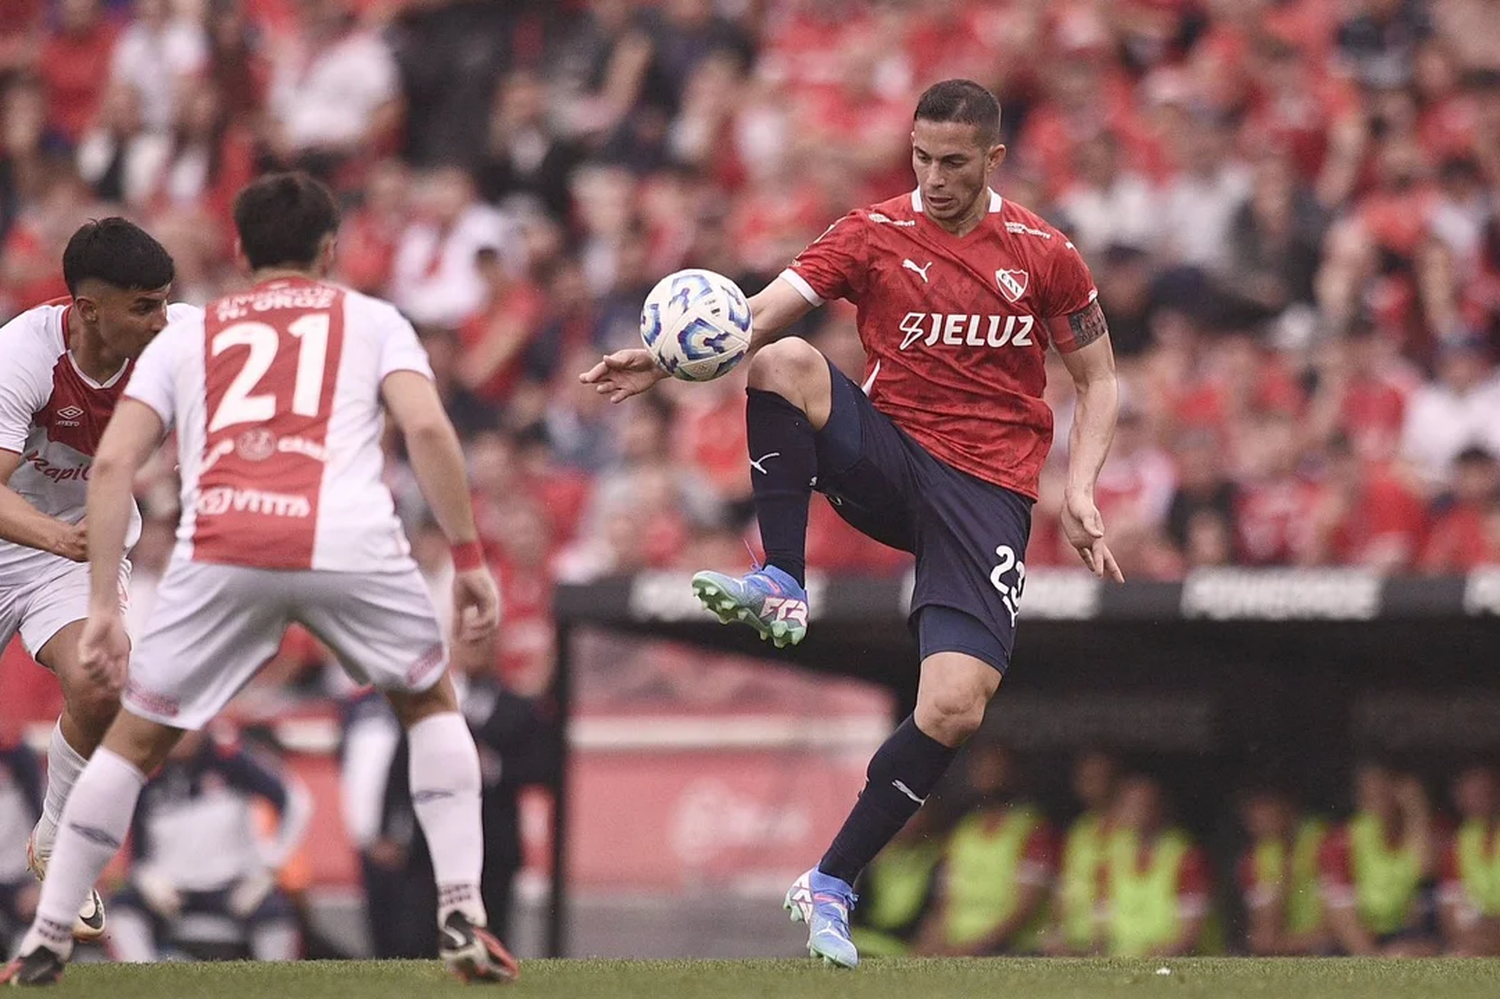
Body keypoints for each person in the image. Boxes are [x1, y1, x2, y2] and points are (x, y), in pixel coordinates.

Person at [582, 78, 1123, 967]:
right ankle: (782, 580)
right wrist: (671, 358)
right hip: (892, 456)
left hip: (988, 492)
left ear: (992, 159)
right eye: (921, 158)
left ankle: (830, 881)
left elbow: (1099, 378)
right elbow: (759, 314)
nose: (935, 177)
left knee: (954, 705)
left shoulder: (1046, 253)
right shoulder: (871, 233)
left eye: (954, 163)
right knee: (784, 360)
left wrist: (1084, 487)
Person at [2, 171, 517, 986]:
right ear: (329, 249)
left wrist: (103, 599)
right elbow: (423, 423)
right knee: (428, 703)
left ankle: (47, 931)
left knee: (128, 734)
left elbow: (111, 470)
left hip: (217, 543)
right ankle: (464, 907)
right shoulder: (374, 317)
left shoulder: (187, 335)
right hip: (342, 539)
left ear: (238, 250)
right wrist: (470, 558)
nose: (157, 311)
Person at [0, 217, 182, 944]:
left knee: (105, 682)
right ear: (87, 308)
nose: (162, 320)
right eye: (144, 306)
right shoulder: (20, 354)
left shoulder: (178, 341)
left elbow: (298, 343)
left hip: (65, 558)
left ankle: (56, 839)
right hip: (33, 534)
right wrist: (58, 534)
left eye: (165, 301)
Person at [107, 728, 311, 962]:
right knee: (122, 909)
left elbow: (294, 801)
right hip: (172, 889)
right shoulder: (147, 773)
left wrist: (269, 867)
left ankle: (277, 986)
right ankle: (139, 982)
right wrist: (147, 878)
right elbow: (136, 845)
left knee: (277, 915)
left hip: (232, 886)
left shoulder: (231, 760)